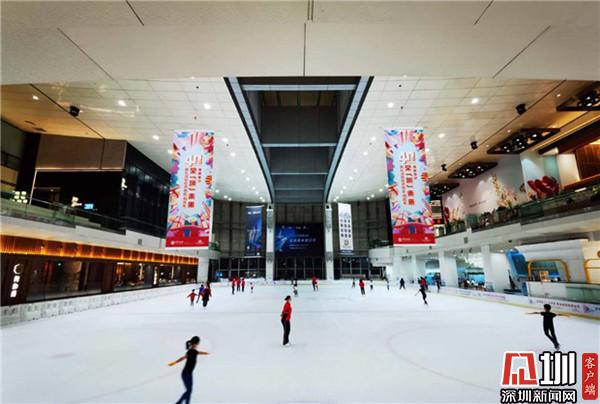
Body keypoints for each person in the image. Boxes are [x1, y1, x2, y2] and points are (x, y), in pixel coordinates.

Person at [168, 336, 209, 404]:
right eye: (198, 343)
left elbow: (198, 352)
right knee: (189, 391)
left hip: (189, 374)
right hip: (185, 374)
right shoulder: (191, 351)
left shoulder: (194, 351)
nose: (198, 344)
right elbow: (183, 358)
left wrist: (205, 353)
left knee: (189, 391)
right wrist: (174, 362)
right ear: (195, 343)